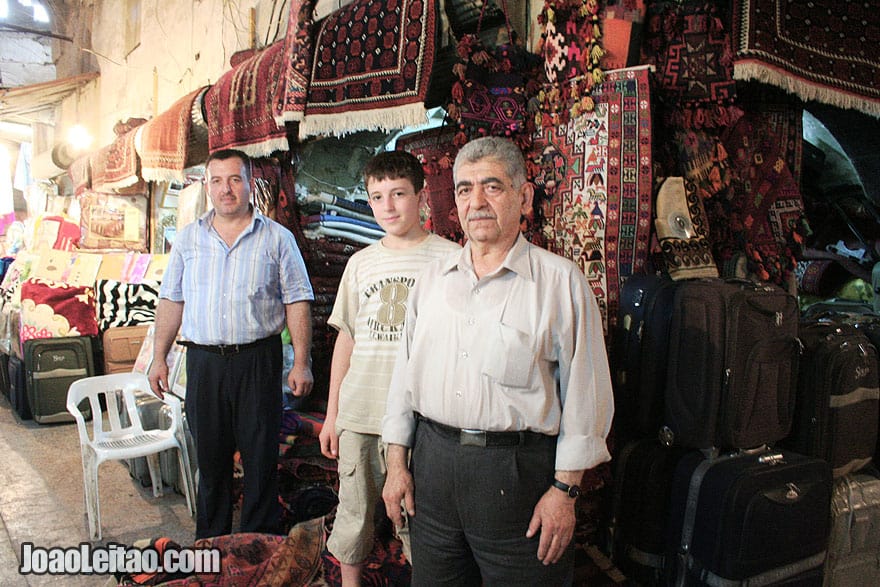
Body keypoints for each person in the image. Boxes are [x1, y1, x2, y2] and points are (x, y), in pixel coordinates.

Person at [381, 136, 614, 585]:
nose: (477, 202)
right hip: (433, 469)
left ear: (523, 196)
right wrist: (396, 465)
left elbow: (588, 400)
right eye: (465, 189)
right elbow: (403, 383)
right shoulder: (432, 281)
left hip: (518, 479)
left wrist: (564, 492)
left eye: (493, 187)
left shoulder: (560, 284)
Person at [148, 148, 314, 539]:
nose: (226, 189)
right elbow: (171, 299)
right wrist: (159, 358)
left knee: (260, 458)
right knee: (210, 459)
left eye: (235, 179)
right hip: (203, 363)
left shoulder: (277, 238)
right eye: (217, 181)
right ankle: (213, 545)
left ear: (250, 183)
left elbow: (298, 299)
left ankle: (259, 545)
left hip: (258, 360)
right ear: (206, 186)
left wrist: (302, 362)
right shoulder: (188, 239)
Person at [319, 150, 461, 585]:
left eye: (399, 194)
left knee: (422, 516)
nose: (389, 206)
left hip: (423, 417)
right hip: (361, 411)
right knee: (355, 512)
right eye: (377, 197)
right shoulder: (361, 264)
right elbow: (347, 338)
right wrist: (331, 416)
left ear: (421, 195)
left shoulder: (451, 257)